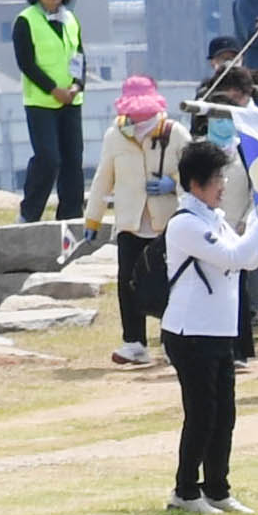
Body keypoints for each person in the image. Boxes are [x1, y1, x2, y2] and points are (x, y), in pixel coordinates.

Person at [158, 143, 258, 514]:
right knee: (202, 414)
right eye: (216, 178)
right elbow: (234, 256)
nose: (222, 184)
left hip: (219, 332)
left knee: (224, 414)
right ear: (196, 183)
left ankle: (216, 488)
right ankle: (185, 491)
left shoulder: (214, 219)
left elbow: (249, 260)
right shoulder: (186, 223)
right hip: (190, 332)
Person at [91, 79, 186, 370]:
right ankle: (134, 342)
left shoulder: (175, 133)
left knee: (170, 283)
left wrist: (173, 185)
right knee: (127, 282)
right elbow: (103, 178)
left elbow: (195, 171)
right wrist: (92, 218)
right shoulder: (114, 136)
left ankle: (172, 342)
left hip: (166, 222)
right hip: (130, 222)